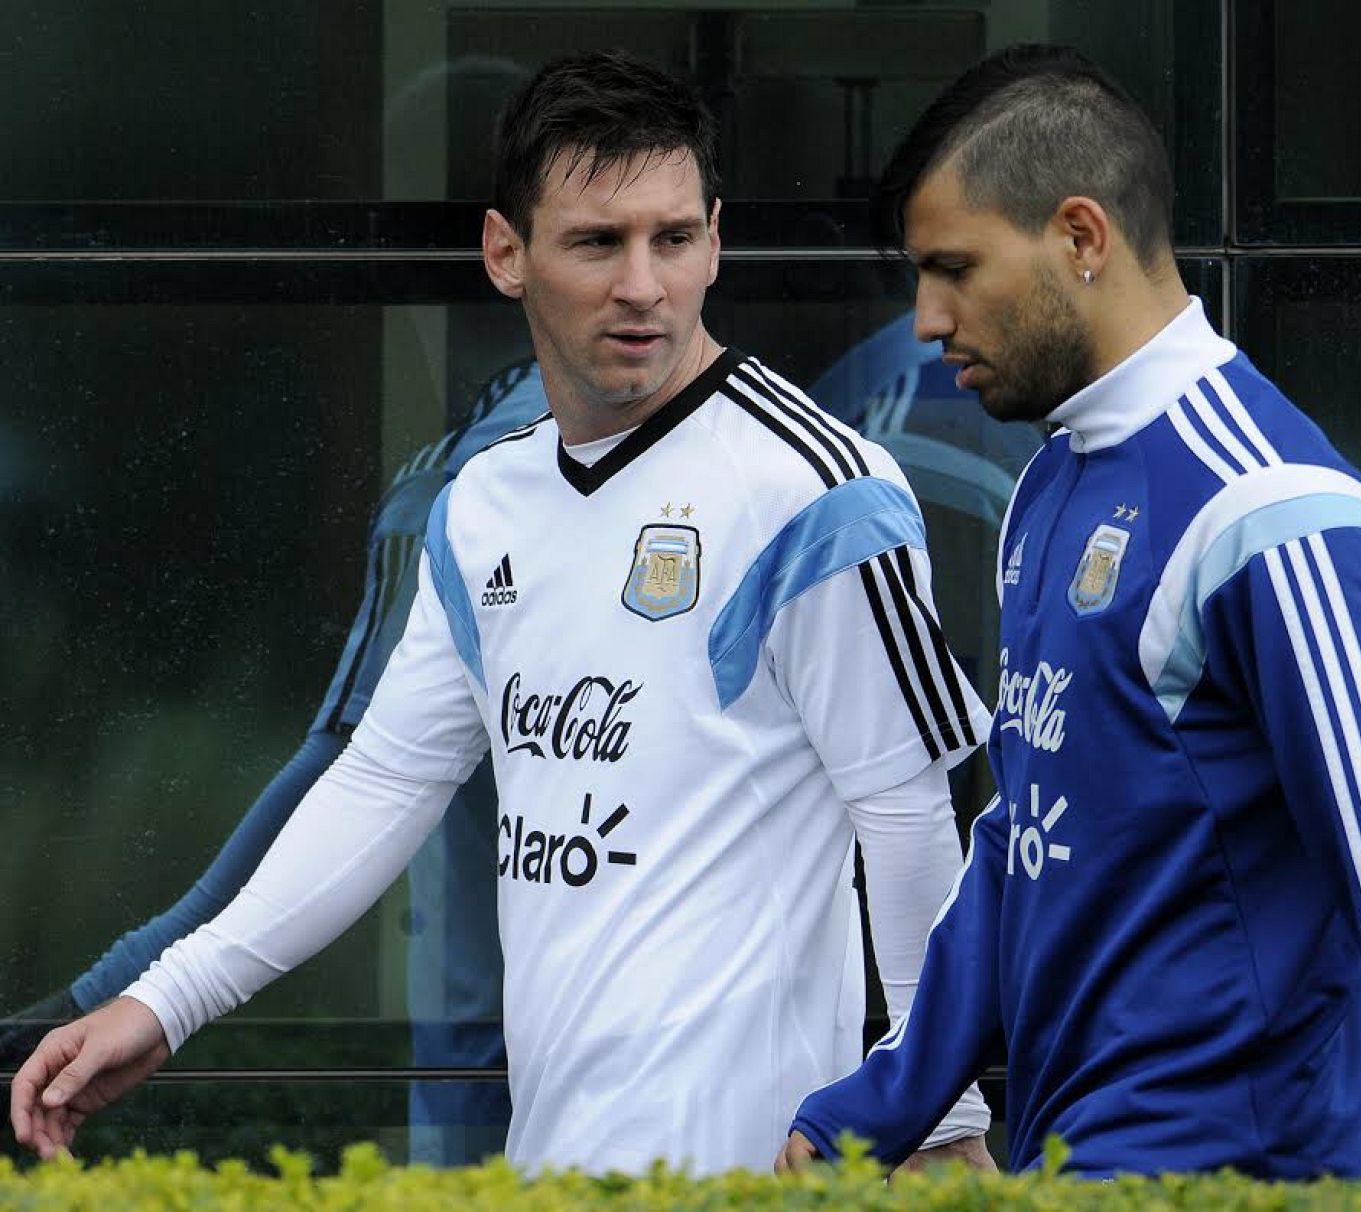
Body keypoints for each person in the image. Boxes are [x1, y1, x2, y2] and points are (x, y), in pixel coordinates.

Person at [10, 50, 994, 1176]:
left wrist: (944, 1111)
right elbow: (383, 783)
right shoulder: (483, 503)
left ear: (715, 241)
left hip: (752, 1174)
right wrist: (163, 1002)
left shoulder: (817, 490)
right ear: (505, 253)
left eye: (674, 239)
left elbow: (910, 819)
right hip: (550, 1171)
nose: (644, 285)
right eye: (596, 242)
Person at [777, 44, 1361, 1194]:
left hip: (1234, 1174)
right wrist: (875, 1109)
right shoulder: (1049, 484)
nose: (925, 320)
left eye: (953, 268)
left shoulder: (1268, 507)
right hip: (1072, 1163)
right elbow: (1026, 840)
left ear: (1080, 238)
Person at [0, 357, 549, 1166]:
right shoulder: (471, 489)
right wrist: (121, 998)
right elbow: (365, 775)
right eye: (598, 243)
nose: (638, 286)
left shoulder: (773, 467)